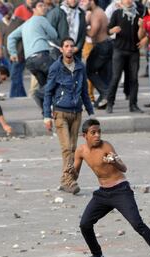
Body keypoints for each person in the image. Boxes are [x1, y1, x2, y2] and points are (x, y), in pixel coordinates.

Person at [68, 119, 150, 257]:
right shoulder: (80, 151)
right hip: (103, 194)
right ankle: (97, 255)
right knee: (85, 224)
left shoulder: (106, 146)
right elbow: (75, 175)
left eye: (99, 132)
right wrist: (71, 172)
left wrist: (114, 162)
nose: (97, 135)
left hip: (121, 191)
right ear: (84, 135)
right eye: (93, 133)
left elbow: (123, 168)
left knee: (138, 224)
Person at [43, 37, 94, 194]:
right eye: (66, 46)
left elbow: (84, 90)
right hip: (60, 112)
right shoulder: (56, 67)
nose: (69, 49)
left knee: (72, 148)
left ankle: (66, 180)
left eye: (72, 46)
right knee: (67, 148)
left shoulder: (80, 66)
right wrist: (46, 115)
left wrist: (90, 110)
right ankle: (68, 180)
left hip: (76, 112)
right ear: (61, 49)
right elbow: (48, 92)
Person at [8, 0, 57, 110]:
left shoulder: (25, 24)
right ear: (33, 9)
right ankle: (38, 94)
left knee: (45, 85)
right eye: (40, 6)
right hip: (42, 56)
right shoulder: (41, 19)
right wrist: (45, 35)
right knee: (60, 73)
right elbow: (54, 34)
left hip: (30, 61)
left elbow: (11, 37)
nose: (44, 7)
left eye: (44, 6)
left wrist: (13, 52)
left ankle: (46, 112)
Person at [105, 0, 144, 114]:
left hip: (133, 51)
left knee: (134, 79)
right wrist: (113, 30)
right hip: (119, 50)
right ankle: (110, 104)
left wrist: (141, 27)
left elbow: (141, 36)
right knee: (115, 78)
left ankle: (133, 105)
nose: (128, 1)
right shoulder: (117, 13)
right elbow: (108, 30)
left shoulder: (138, 14)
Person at [85, 0, 113, 109]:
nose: (83, 3)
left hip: (102, 46)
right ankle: (103, 99)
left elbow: (93, 33)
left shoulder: (96, 13)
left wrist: (83, 28)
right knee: (102, 74)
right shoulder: (98, 11)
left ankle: (106, 93)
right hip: (106, 45)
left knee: (89, 70)